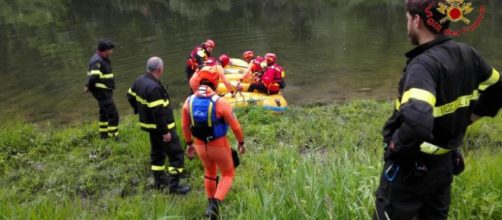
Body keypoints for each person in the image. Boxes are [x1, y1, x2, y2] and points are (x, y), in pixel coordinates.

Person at [374, 1, 502, 219]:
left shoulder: (422, 66)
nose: (407, 27)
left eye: (407, 20)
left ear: (416, 20)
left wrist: (395, 148)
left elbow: (417, 122)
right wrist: (468, 118)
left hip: (410, 170)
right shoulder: (468, 54)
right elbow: (498, 89)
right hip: (443, 167)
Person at [127, 57, 191, 194]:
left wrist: (138, 110)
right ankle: (174, 187)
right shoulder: (154, 88)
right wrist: (165, 132)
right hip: (162, 128)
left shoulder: (140, 80)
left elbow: (130, 95)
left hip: (151, 128)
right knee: (176, 155)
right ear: (159, 69)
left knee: (157, 154)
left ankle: (159, 182)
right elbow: (158, 113)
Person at [182, 82, 245, 219]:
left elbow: (185, 126)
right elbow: (236, 127)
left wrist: (189, 144)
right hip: (219, 145)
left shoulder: (188, 101)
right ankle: (214, 207)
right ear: (214, 88)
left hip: (199, 146)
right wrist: (241, 142)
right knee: (228, 174)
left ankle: (210, 203)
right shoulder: (220, 102)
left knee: (209, 172)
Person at [84, 39, 120, 139]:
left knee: (104, 112)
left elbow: (92, 76)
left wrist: (88, 86)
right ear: (104, 50)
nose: (111, 52)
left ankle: (104, 135)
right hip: (102, 92)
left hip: (103, 91)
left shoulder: (99, 59)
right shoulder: (98, 61)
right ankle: (114, 136)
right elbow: (93, 77)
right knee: (113, 114)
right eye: (110, 50)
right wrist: (89, 87)